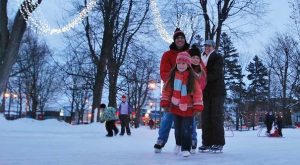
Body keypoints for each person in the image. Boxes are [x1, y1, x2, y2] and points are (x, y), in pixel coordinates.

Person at [154, 27, 196, 153]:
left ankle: (192, 140)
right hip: (173, 90)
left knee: (190, 116)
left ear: (184, 40)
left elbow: (196, 69)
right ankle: (161, 140)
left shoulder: (190, 53)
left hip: (188, 91)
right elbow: (164, 72)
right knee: (168, 116)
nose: (180, 40)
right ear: (174, 40)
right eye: (177, 38)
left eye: (182, 38)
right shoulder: (167, 55)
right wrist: (175, 82)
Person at [160, 52, 204, 157]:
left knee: (186, 129)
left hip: (188, 109)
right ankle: (178, 143)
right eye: (179, 63)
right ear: (176, 64)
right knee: (178, 129)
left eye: (183, 63)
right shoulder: (172, 76)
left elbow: (197, 93)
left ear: (188, 64)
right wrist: (166, 102)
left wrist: (197, 106)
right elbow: (167, 90)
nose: (181, 66)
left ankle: (186, 148)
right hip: (175, 108)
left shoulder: (192, 78)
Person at [199, 39, 226, 152]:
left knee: (216, 116)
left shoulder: (217, 57)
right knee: (205, 118)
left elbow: (216, 73)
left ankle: (218, 142)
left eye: (209, 46)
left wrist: (201, 78)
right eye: (205, 46)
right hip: (205, 92)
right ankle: (207, 143)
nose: (207, 47)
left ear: (213, 47)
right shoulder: (200, 58)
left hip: (217, 92)